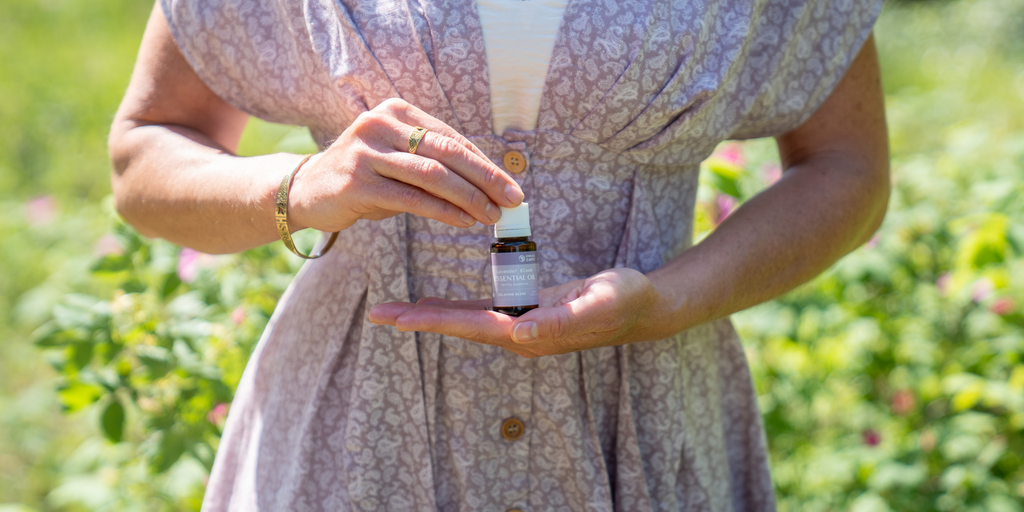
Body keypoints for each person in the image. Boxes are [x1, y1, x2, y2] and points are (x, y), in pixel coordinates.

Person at [109, 0, 889, 509]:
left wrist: (672, 301)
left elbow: (847, 169)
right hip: (355, 434)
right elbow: (145, 154)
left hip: (643, 424)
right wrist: (302, 184)